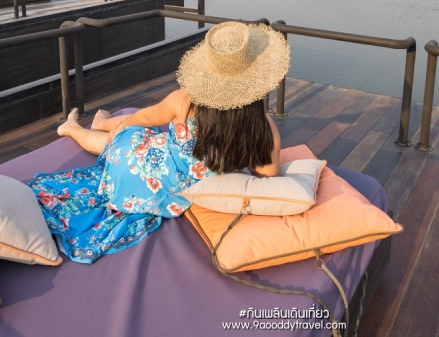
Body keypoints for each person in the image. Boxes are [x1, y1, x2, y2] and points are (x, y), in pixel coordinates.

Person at [29, 21, 290, 263]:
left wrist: (119, 128)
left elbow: (143, 117)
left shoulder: (185, 102)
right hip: (168, 193)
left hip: (139, 168)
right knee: (131, 138)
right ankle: (97, 125)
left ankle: (76, 127)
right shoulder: (264, 130)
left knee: (129, 137)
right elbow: (268, 178)